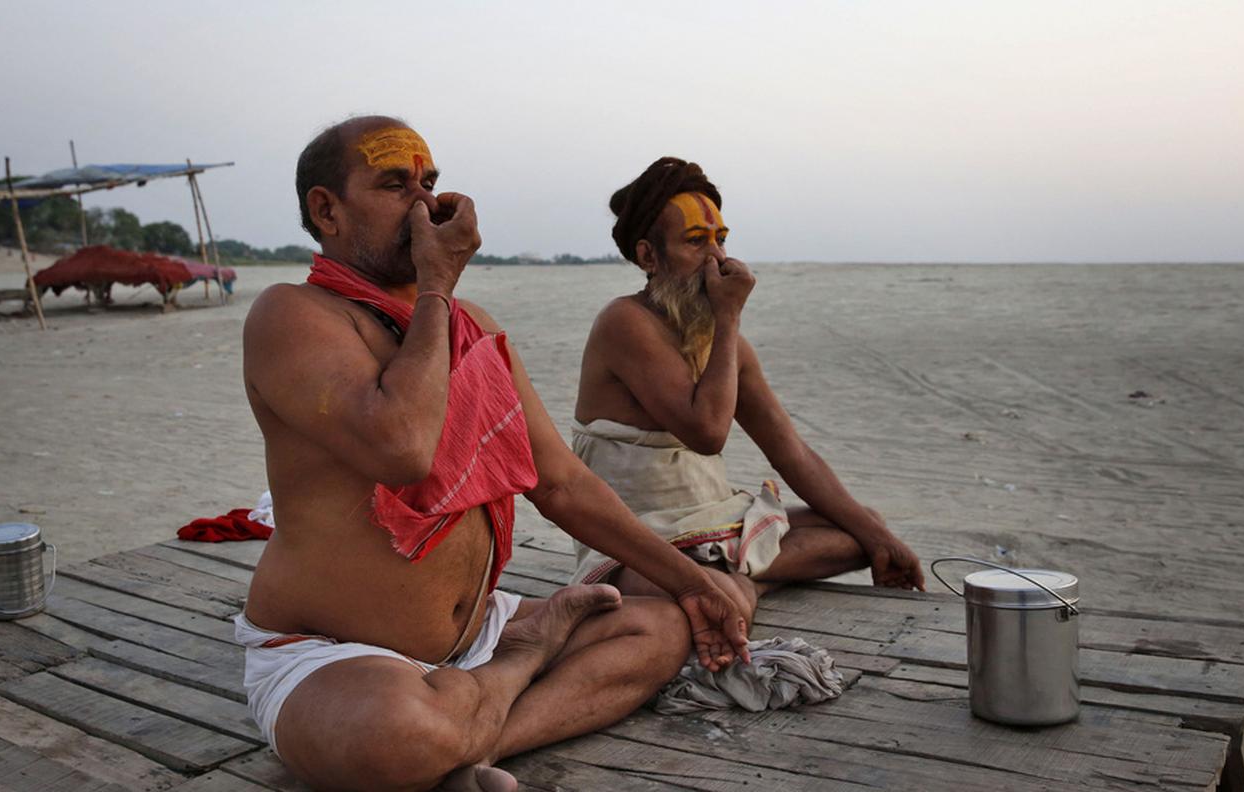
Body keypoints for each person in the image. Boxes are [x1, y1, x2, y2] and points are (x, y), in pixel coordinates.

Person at [237, 119, 750, 792]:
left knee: (659, 627)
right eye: (395, 185)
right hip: (333, 653)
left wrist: (692, 584)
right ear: (326, 210)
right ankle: (513, 673)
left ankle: (473, 743)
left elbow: (560, 481)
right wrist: (435, 287)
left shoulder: (468, 324)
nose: (425, 206)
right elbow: (402, 447)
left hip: (481, 629)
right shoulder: (293, 315)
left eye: (431, 184)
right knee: (396, 737)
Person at [571, 156, 925, 623]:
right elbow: (707, 433)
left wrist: (884, 542)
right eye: (696, 242)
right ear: (648, 256)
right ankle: (735, 579)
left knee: (865, 527)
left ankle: (743, 577)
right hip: (639, 540)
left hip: (714, 522)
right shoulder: (625, 322)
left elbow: (791, 452)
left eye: (721, 240)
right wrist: (729, 318)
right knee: (717, 594)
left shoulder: (724, 343)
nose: (717, 259)